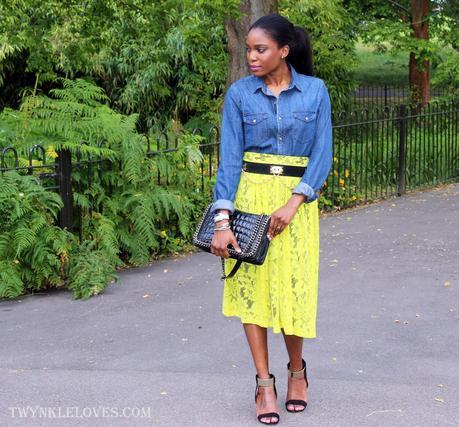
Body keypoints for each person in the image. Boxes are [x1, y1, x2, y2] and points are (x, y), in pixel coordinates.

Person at [210, 13, 332, 425]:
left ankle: (297, 372)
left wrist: (295, 201)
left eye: (260, 49)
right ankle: (264, 382)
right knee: (253, 292)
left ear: (285, 50)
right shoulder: (240, 95)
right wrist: (223, 221)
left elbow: (322, 154)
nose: (251, 57)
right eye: (248, 49)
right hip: (249, 198)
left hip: (295, 204)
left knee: (293, 293)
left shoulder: (315, 91)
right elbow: (229, 160)